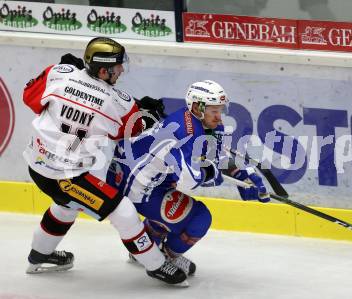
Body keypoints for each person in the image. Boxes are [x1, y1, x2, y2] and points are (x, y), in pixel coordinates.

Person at [22, 37, 187, 286]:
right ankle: (155, 265)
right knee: (124, 212)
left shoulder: (58, 73)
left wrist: (70, 78)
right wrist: (146, 111)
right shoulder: (117, 100)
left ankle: (39, 254)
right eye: (118, 66)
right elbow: (131, 129)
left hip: (37, 165)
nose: (121, 70)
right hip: (67, 178)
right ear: (103, 70)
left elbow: (29, 97)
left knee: (66, 206)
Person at [106, 80, 270, 277]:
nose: (219, 118)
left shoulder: (205, 123)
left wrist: (244, 175)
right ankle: (160, 258)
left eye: (220, 110)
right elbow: (189, 181)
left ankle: (146, 246)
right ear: (197, 108)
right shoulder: (182, 131)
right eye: (214, 111)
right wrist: (217, 176)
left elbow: (217, 158)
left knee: (176, 209)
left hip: (154, 179)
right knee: (200, 218)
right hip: (137, 187)